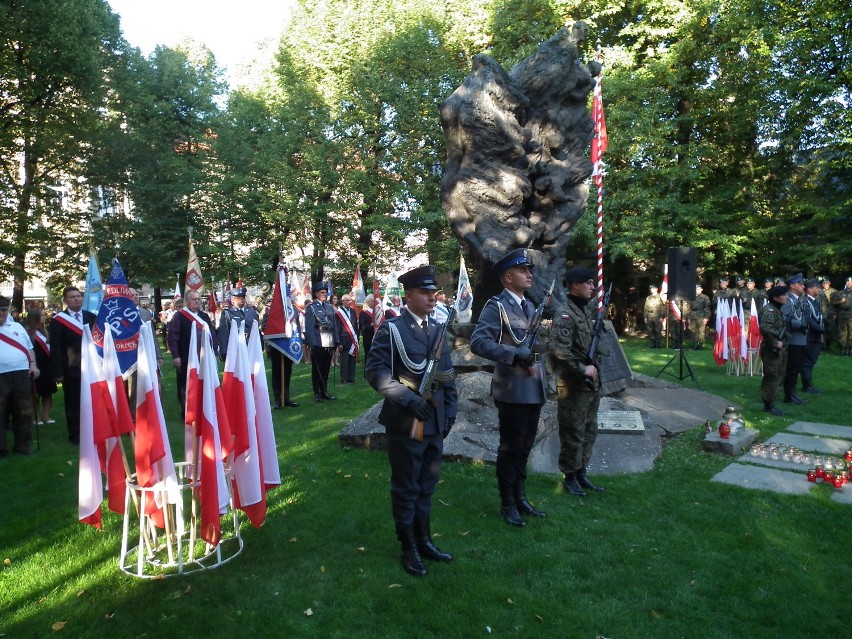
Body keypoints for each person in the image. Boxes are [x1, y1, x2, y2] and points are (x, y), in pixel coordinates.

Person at [365, 265, 458, 577]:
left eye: (434, 292)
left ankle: (424, 540)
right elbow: (376, 373)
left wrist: (451, 412)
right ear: (409, 296)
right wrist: (407, 399)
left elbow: (447, 376)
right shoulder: (391, 330)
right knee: (407, 487)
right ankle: (408, 547)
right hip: (406, 423)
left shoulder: (438, 328)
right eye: (425, 292)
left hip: (434, 422)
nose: (433, 297)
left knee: (427, 485)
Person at [470, 248, 548, 526]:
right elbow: (478, 343)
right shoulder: (497, 306)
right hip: (513, 389)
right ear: (507, 277)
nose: (529, 274)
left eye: (530, 270)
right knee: (511, 448)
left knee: (525, 447)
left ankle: (520, 497)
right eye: (523, 271)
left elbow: (534, 346)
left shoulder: (529, 306)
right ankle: (507, 503)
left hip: (534, 385)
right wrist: (514, 353)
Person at [548, 266, 606, 497]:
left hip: (589, 385)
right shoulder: (565, 314)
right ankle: (570, 476)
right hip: (573, 385)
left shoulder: (582, 311)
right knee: (573, 432)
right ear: (575, 285)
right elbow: (559, 351)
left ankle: (582, 473)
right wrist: (583, 369)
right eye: (588, 283)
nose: (593, 287)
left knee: (589, 429)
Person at [49, 286, 96, 445]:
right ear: (65, 300)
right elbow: (55, 348)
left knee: (92, 401)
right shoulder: (58, 320)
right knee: (73, 403)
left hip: (91, 367)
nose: (76, 299)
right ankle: (76, 435)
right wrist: (58, 372)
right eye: (72, 297)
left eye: (78, 296)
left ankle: (93, 431)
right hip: (71, 369)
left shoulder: (91, 317)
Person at [0, 296, 39, 456]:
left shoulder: (17, 326)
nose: (1, 314)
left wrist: (33, 364)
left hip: (21, 373)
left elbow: (29, 348)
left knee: (23, 411)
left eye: (3, 310)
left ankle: (22, 446)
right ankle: (1, 449)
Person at [167, 290, 216, 416]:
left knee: (204, 381)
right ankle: (187, 412)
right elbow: (173, 338)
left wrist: (214, 350)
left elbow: (212, 335)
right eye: (194, 299)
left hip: (204, 356)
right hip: (185, 356)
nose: (198, 301)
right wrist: (175, 356)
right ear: (187, 301)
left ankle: (204, 409)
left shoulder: (204, 316)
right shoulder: (179, 316)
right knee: (186, 384)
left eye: (199, 299)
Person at [304, 282, 340, 401]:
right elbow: (309, 327)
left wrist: (336, 340)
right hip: (318, 340)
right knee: (317, 368)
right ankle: (317, 392)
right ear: (316, 294)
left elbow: (334, 325)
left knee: (326, 367)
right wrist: (312, 343)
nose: (325, 294)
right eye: (322, 292)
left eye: (325, 292)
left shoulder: (329, 307)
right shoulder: (311, 307)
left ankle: (324, 390)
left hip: (329, 339)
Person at [758, 285, 789, 415]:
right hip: (771, 348)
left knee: (779, 375)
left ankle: (771, 402)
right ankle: (768, 404)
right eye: (784, 295)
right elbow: (765, 328)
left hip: (779, 348)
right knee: (772, 376)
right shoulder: (769, 310)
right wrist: (776, 343)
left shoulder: (777, 309)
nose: (787, 297)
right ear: (776, 297)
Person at [24, 307, 56, 425]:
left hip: (47, 366)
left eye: (44, 315)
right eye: (41, 315)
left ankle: (47, 417)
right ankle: (36, 417)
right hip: (36, 365)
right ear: (35, 317)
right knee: (35, 393)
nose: (44, 317)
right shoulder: (27, 333)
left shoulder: (45, 331)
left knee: (47, 392)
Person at [781, 273, 809, 405]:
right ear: (792, 286)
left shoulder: (798, 299)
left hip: (801, 339)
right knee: (792, 369)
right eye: (800, 284)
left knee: (797, 368)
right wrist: (800, 324)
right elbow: (784, 319)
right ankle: (789, 395)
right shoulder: (788, 300)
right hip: (793, 340)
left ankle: (793, 393)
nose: (803, 286)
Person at [217, 287, 259, 362]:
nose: (241, 299)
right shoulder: (227, 313)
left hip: (250, 346)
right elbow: (223, 333)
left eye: (243, 297)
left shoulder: (252, 312)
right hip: (235, 347)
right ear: (233, 299)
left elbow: (256, 331)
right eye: (238, 297)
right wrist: (224, 351)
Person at [801, 278, 824, 394]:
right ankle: (806, 385)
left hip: (816, 336)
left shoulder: (815, 301)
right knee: (807, 361)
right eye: (816, 287)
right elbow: (808, 319)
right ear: (809, 289)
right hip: (809, 335)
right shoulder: (806, 301)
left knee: (811, 361)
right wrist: (821, 329)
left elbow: (818, 318)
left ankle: (809, 384)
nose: (818, 289)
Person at [335, 294, 359, 384]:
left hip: (353, 339)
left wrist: (356, 337)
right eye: (348, 300)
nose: (350, 302)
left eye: (350, 300)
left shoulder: (353, 311)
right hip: (344, 339)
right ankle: (344, 379)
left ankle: (351, 378)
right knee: (345, 360)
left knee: (352, 359)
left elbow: (355, 326)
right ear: (343, 301)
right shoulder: (338, 313)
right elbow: (337, 328)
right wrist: (339, 343)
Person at [831, 277, 852, 355]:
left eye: (851, 282)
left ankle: (850, 349)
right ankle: (842, 348)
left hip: (851, 315)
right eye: (848, 282)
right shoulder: (840, 293)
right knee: (842, 332)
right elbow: (833, 303)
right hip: (842, 314)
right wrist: (840, 301)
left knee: (851, 332)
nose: (849, 283)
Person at [689, 284, 711, 350]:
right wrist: (688, 317)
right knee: (693, 330)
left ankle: (700, 345)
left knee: (701, 331)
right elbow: (688, 307)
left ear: (701, 290)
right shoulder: (691, 297)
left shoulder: (705, 297)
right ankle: (695, 344)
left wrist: (706, 318)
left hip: (701, 315)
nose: (697, 290)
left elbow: (707, 308)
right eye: (696, 289)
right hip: (693, 315)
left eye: (698, 289)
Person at [819, 277, 837, 354]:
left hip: (830, 313)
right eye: (823, 283)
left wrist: (835, 313)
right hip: (820, 313)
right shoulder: (818, 290)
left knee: (829, 330)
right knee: (820, 330)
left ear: (829, 283)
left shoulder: (834, 291)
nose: (824, 284)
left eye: (826, 283)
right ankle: (821, 345)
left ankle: (828, 345)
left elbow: (837, 303)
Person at [643, 284, 663, 348]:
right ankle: (652, 343)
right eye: (651, 289)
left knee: (657, 330)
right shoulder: (648, 298)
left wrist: (662, 316)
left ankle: (657, 343)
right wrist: (645, 317)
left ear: (657, 289)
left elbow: (663, 307)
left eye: (653, 288)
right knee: (650, 330)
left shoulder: (660, 297)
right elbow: (646, 308)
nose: (652, 290)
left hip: (657, 315)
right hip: (649, 315)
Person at [359, 293, 376, 364]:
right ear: (368, 302)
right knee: (368, 357)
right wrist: (371, 325)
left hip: (377, 338)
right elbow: (362, 327)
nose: (374, 302)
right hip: (368, 338)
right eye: (372, 301)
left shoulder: (377, 312)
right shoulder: (363, 312)